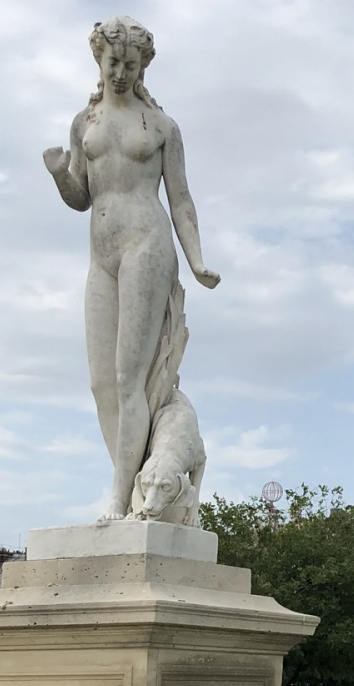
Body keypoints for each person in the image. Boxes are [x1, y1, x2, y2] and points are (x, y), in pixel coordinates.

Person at [44, 16, 220, 521]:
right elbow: (82, 196)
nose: (120, 71)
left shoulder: (162, 127)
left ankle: (121, 500)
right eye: (112, 61)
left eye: (130, 63)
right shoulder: (85, 123)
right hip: (101, 253)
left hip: (148, 242)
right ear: (98, 61)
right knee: (102, 384)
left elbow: (181, 200)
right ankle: (142, 481)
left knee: (130, 377)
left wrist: (197, 260)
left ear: (144, 66)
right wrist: (60, 175)